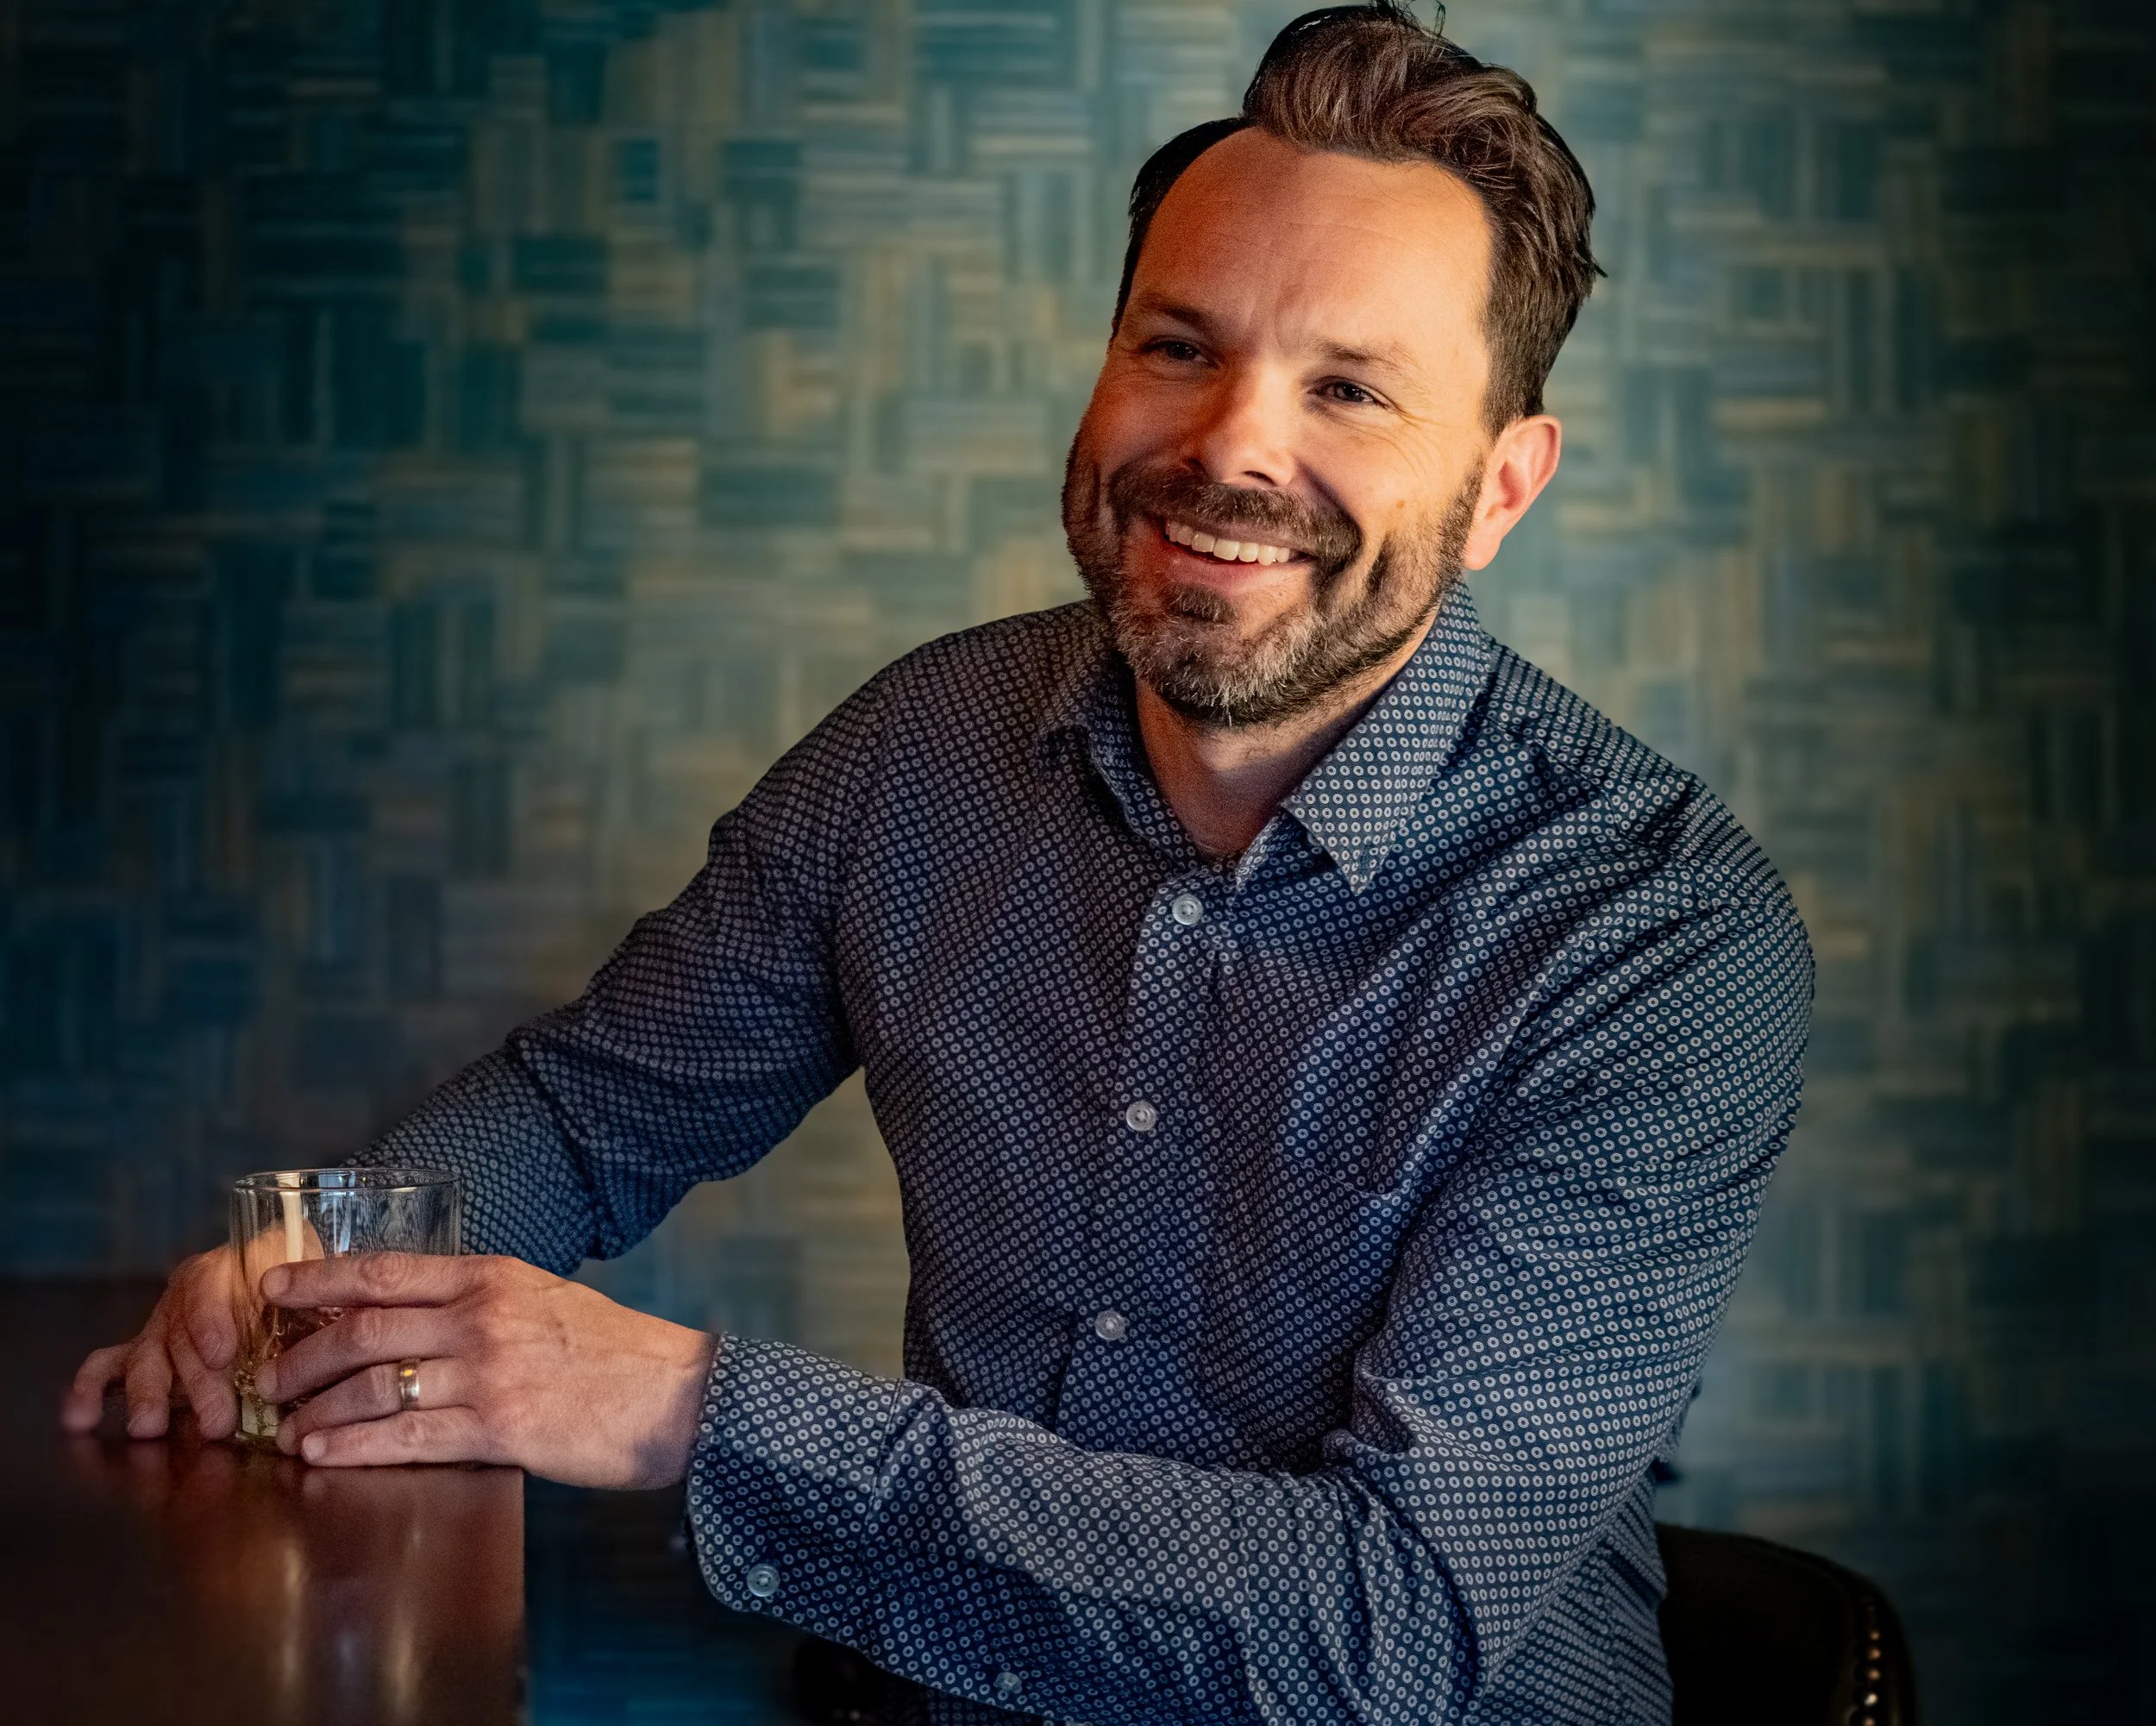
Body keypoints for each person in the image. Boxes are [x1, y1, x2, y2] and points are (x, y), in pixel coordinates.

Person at [63, 6, 1812, 1721]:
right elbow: (590, 1113)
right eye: (1176, 345)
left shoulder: (1652, 932)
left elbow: (1384, 1622)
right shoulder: (922, 749)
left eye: (1348, 386)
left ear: (1499, 488)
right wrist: (309, 1300)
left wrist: (685, 1410)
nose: (1225, 448)